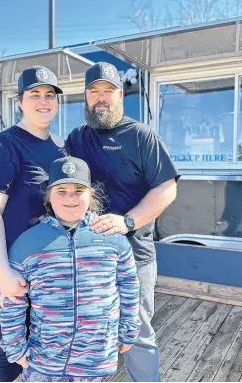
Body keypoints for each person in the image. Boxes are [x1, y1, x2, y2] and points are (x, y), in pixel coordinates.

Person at [65, 62, 180, 382]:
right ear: (85, 98)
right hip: (87, 258)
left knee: (137, 332)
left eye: (108, 91)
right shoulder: (76, 139)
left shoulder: (142, 136)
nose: (101, 98)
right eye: (94, 92)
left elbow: (167, 188)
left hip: (133, 256)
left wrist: (128, 221)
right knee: (87, 330)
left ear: (120, 95)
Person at [0, 156, 141, 382]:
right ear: (49, 196)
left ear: (91, 194)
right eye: (61, 190)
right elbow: (11, 301)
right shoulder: (27, 244)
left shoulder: (113, 239)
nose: (70, 197)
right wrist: (15, 347)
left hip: (95, 361)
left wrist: (129, 330)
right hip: (44, 363)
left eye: (78, 190)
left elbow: (129, 288)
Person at [0, 66, 66, 382]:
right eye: (35, 95)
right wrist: (3, 274)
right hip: (2, 263)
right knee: (5, 345)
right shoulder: (3, 145)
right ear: (20, 102)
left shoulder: (60, 149)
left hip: (43, 267)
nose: (43, 101)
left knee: (39, 342)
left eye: (49, 95)